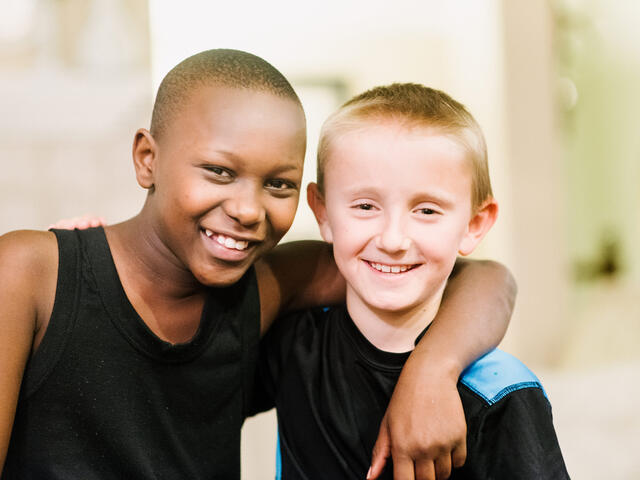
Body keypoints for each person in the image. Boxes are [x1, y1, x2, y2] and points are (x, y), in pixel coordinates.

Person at [0, 51, 515, 479]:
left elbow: (485, 278)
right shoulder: (31, 273)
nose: (248, 210)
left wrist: (432, 370)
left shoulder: (263, 287)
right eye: (219, 172)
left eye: (278, 184)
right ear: (147, 159)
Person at [251, 83, 569, 479]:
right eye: (365, 206)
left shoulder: (504, 393)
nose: (393, 240)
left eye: (427, 210)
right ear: (323, 213)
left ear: (474, 224)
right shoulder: (293, 345)